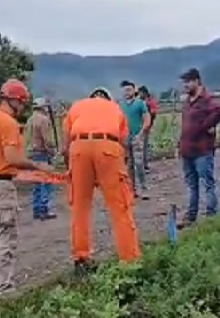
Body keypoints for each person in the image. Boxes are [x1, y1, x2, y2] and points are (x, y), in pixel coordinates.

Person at [0, 79, 53, 295]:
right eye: (22, 104)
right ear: (15, 101)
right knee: (6, 235)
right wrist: (36, 165)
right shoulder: (8, 123)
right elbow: (12, 157)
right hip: (1, 184)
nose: (23, 108)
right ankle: (5, 287)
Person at [62, 86, 141, 275]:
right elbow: (122, 141)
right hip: (108, 147)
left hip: (78, 148)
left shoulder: (77, 106)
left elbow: (65, 147)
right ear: (108, 99)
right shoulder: (115, 108)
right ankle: (129, 260)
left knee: (79, 208)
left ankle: (81, 258)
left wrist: (73, 169)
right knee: (119, 207)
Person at [177, 68, 220, 228]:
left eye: (188, 82)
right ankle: (191, 216)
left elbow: (218, 112)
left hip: (202, 150)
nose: (185, 85)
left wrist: (206, 126)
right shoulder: (187, 102)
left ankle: (212, 215)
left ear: (196, 81)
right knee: (192, 185)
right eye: (184, 82)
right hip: (187, 149)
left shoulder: (206, 99)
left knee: (207, 183)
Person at [118, 80, 151, 199]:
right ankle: (132, 189)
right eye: (124, 90)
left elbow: (147, 119)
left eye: (129, 89)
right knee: (129, 165)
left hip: (137, 137)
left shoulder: (140, 103)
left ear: (134, 90)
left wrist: (141, 134)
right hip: (125, 138)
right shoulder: (120, 105)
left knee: (139, 163)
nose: (126, 92)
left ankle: (144, 188)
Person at [27, 97, 57, 220]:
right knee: (46, 182)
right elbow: (48, 140)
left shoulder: (30, 120)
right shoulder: (44, 120)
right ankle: (44, 209)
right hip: (42, 153)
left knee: (36, 183)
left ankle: (36, 209)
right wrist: (52, 151)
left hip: (32, 154)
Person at [138, 85, 159, 172]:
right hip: (141, 126)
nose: (139, 94)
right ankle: (141, 164)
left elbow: (154, 113)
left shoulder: (149, 102)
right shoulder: (141, 101)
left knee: (144, 146)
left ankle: (144, 165)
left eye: (140, 93)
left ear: (144, 93)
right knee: (141, 146)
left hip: (146, 126)